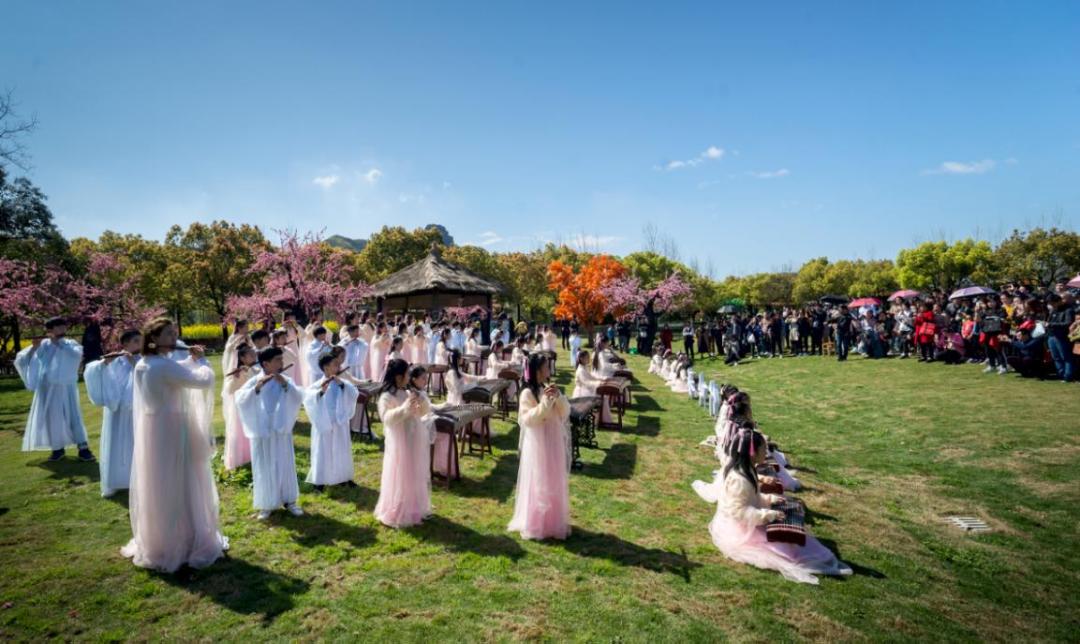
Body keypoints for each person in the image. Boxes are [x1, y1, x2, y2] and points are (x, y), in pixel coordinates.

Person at [121, 318, 225, 572]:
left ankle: (162, 540)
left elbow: (177, 378)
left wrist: (190, 362)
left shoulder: (145, 364)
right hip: (172, 427)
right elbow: (200, 380)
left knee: (161, 482)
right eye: (168, 334)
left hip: (154, 428)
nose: (173, 338)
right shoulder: (162, 366)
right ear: (154, 339)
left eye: (174, 333)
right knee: (182, 479)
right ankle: (185, 541)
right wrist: (201, 361)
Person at [692, 426, 850, 584]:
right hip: (740, 527)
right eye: (763, 449)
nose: (766, 452)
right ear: (753, 453)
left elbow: (751, 498)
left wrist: (770, 499)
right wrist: (768, 515)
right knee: (788, 552)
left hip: (749, 516)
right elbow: (738, 511)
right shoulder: (740, 479)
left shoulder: (747, 469)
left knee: (797, 541)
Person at [235, 346, 305, 520]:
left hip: (281, 430)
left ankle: (290, 501)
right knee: (264, 465)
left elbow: (298, 397)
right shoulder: (254, 381)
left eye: (281, 359)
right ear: (265, 363)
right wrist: (256, 389)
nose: (281, 363)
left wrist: (286, 385)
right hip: (262, 431)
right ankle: (267, 504)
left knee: (285, 463)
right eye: (277, 360)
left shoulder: (285, 379)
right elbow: (241, 400)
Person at [508, 353, 571, 540]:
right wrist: (545, 403)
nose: (548, 371)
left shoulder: (546, 388)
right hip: (537, 443)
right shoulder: (527, 393)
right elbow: (527, 419)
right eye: (545, 367)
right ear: (536, 371)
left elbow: (564, 412)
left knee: (552, 478)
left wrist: (558, 397)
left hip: (552, 440)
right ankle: (536, 522)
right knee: (538, 480)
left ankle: (552, 521)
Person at [14, 317, 95, 462]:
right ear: (49, 330)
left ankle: (83, 449)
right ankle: (57, 449)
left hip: (66, 386)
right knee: (52, 418)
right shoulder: (43, 344)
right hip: (47, 387)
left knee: (73, 416)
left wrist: (57, 343)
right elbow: (24, 360)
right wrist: (34, 347)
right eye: (58, 327)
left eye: (63, 326)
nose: (62, 329)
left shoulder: (71, 343)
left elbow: (76, 355)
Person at [374, 360, 434, 528]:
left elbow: (422, 412)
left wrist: (422, 401)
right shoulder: (386, 396)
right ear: (399, 377)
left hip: (413, 437)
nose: (409, 377)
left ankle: (413, 507)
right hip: (398, 441)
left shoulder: (407, 392)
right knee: (400, 472)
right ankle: (397, 508)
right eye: (407, 374)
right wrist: (405, 408)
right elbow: (386, 418)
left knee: (413, 471)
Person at [83, 329, 141, 496]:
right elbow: (92, 370)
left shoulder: (144, 360)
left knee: (135, 443)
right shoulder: (116, 361)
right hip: (117, 411)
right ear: (125, 344)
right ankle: (116, 480)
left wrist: (134, 364)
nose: (140, 345)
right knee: (117, 444)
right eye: (136, 341)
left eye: (141, 341)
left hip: (136, 410)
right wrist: (104, 365)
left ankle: (138, 478)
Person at [304, 353, 359, 491]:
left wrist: (342, 386)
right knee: (323, 450)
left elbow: (354, 394)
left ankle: (343, 477)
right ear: (326, 367)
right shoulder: (317, 385)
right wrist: (320, 393)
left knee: (342, 449)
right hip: (324, 422)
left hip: (339, 422)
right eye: (335, 364)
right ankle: (320, 480)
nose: (338, 366)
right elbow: (308, 399)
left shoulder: (343, 383)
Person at [222, 344, 259, 469]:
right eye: (250, 354)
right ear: (242, 358)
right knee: (240, 432)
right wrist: (236, 378)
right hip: (240, 407)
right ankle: (240, 459)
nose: (254, 356)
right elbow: (229, 390)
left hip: (253, 405)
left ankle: (254, 456)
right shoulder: (237, 370)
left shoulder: (257, 368)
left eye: (254, 353)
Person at [1045, 294, 1076, 382]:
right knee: (1056, 357)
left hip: (1062, 336)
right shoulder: (1054, 310)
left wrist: (1051, 324)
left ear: (1058, 301)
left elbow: (1068, 323)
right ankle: (1061, 374)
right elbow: (1049, 321)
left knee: (1066, 357)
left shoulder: (1068, 310)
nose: (1051, 305)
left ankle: (1068, 376)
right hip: (1051, 335)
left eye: (1052, 303)